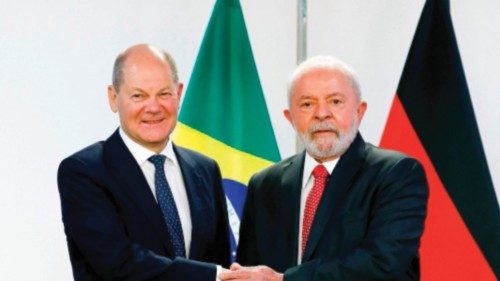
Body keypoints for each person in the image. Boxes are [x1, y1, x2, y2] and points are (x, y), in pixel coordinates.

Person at [219, 56, 429, 281]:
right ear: (290, 118)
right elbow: (250, 271)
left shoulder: (397, 173)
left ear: (360, 111)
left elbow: (383, 263)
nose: (321, 113)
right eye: (307, 104)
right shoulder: (265, 183)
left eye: (335, 101)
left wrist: (284, 280)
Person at [58, 44, 230, 281]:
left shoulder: (205, 170)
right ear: (113, 98)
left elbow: (219, 257)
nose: (153, 107)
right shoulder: (84, 172)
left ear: (178, 94)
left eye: (164, 94)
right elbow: (118, 263)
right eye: (138, 95)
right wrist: (215, 276)